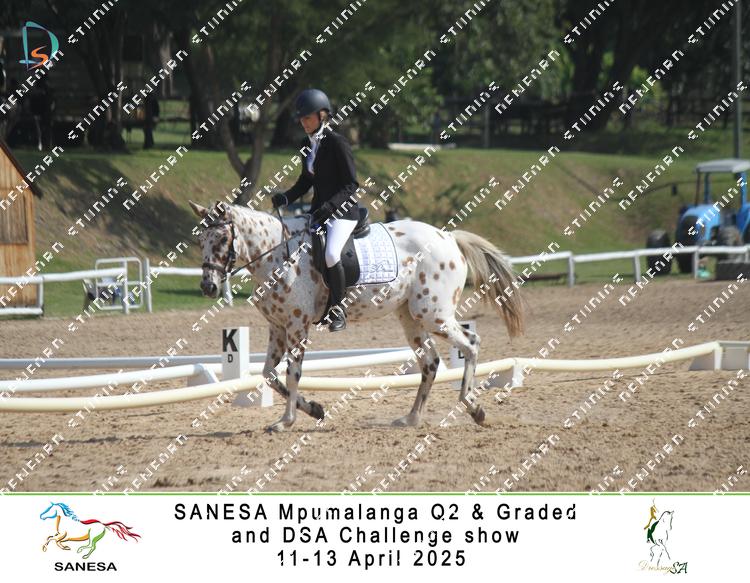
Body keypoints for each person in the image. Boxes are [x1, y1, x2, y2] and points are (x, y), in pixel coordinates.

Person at [271, 88, 361, 332]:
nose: (304, 122)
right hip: (319, 212)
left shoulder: (337, 143)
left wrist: (330, 207)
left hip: (342, 212)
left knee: (331, 254)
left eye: (308, 117)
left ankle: (338, 309)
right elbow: (306, 180)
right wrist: (286, 197)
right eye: (301, 119)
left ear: (322, 115)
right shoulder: (306, 144)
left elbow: (352, 185)